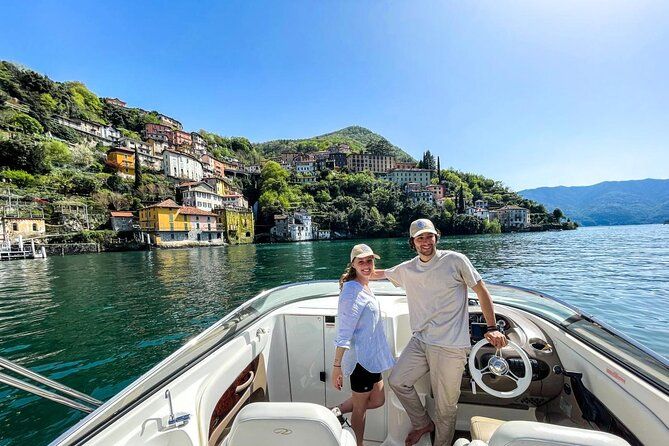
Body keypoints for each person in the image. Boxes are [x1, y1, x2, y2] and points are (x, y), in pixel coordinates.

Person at [376, 218, 508, 446]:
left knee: (445, 408)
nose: (425, 241)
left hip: (450, 346)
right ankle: (422, 423)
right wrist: (353, 274)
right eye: (420, 238)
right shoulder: (408, 269)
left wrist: (493, 327)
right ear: (413, 242)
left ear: (436, 236)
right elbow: (379, 274)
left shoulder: (455, 260)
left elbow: (481, 289)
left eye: (429, 236)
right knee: (397, 380)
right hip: (420, 341)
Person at [331, 244, 396, 446]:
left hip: (371, 358)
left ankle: (337, 411)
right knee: (360, 410)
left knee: (378, 400)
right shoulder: (351, 292)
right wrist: (337, 366)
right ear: (353, 264)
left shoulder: (364, 285)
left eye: (370, 260)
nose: (367, 265)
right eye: (362, 262)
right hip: (361, 361)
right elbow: (343, 332)